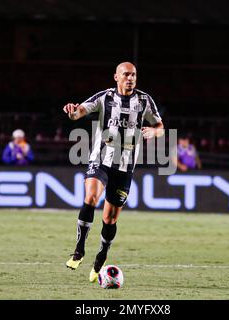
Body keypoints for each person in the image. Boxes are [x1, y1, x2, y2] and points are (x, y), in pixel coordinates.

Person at [63, 62, 164, 283]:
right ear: (116, 77)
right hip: (100, 159)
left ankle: (101, 256)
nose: (130, 78)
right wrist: (72, 112)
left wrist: (152, 132)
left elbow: (160, 126)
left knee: (109, 219)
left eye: (134, 75)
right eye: (126, 74)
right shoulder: (104, 97)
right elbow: (79, 112)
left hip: (125, 166)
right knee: (90, 197)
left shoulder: (145, 100)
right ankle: (79, 249)